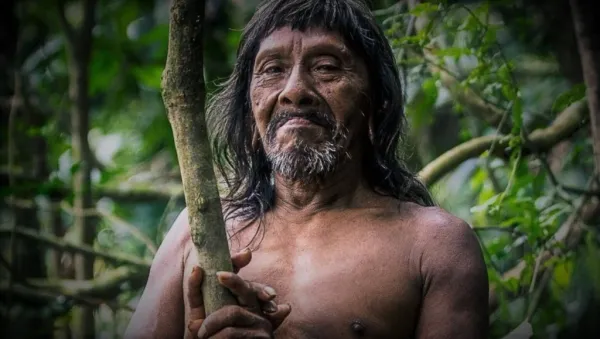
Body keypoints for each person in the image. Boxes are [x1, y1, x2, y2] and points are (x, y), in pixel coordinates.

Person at [125, 0, 489, 338]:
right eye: (272, 69)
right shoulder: (198, 232)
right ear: (252, 117)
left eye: (327, 67)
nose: (295, 90)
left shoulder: (435, 245)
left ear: (376, 104)